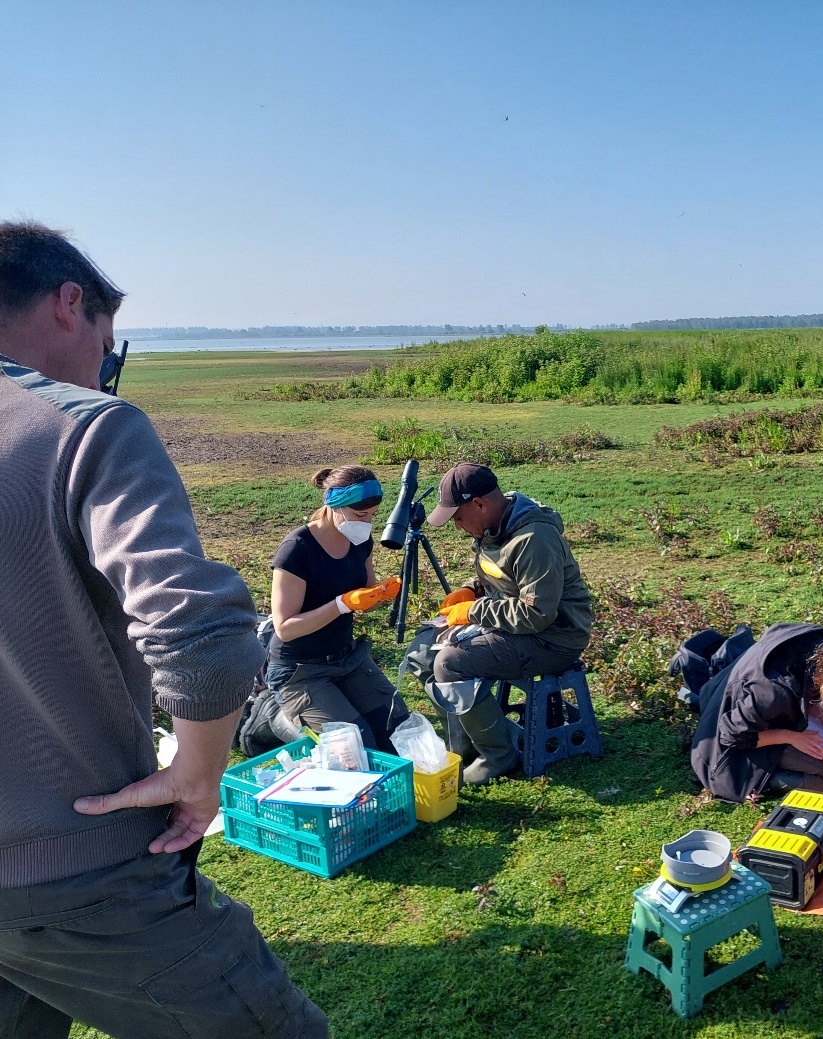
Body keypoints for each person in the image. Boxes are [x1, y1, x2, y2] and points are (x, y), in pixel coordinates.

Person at [0, 221, 327, 1036]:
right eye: (109, 350)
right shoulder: (83, 428)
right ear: (71, 304)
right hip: (76, 867)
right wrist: (197, 769)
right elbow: (202, 628)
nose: (105, 374)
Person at [424, 463, 593, 784]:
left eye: (458, 517)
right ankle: (467, 744)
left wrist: (474, 612)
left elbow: (536, 614)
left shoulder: (533, 538)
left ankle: (498, 755)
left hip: (553, 639)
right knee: (424, 649)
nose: (458, 526)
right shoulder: (497, 525)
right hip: (516, 628)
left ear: (479, 504)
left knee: (450, 663)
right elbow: (503, 578)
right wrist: (470, 589)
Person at [267, 463, 408, 750]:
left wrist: (380, 594)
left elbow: (364, 600)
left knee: (398, 728)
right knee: (356, 746)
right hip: (300, 669)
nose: (367, 522)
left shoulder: (360, 539)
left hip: (347, 659)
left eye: (372, 515)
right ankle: (271, 716)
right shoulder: (297, 549)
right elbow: (284, 629)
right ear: (335, 505)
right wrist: (340, 605)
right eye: (360, 514)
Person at [690, 623, 823, 803]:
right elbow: (731, 736)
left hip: (760, 716)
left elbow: (803, 686)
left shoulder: (817, 645)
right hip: (729, 753)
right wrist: (792, 737)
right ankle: (765, 781)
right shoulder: (771, 692)